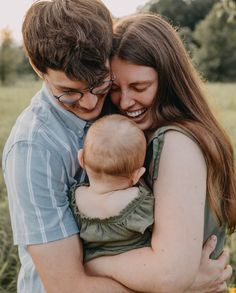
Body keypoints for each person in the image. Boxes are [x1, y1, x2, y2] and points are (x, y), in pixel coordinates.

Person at [1, 0, 232, 291]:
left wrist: (172, 278)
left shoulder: (150, 128)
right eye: (69, 93)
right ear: (39, 71)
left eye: (100, 85)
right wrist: (180, 285)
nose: (89, 103)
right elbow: (68, 285)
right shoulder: (34, 148)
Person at [84, 13, 236, 293]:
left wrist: (91, 263)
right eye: (115, 89)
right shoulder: (140, 137)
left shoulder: (177, 143)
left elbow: (168, 274)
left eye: (139, 87)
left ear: (169, 79)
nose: (126, 102)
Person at [70, 114, 154, 263]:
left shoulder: (75, 197)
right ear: (137, 175)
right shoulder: (139, 200)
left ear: (81, 159)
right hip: (140, 270)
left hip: (95, 275)